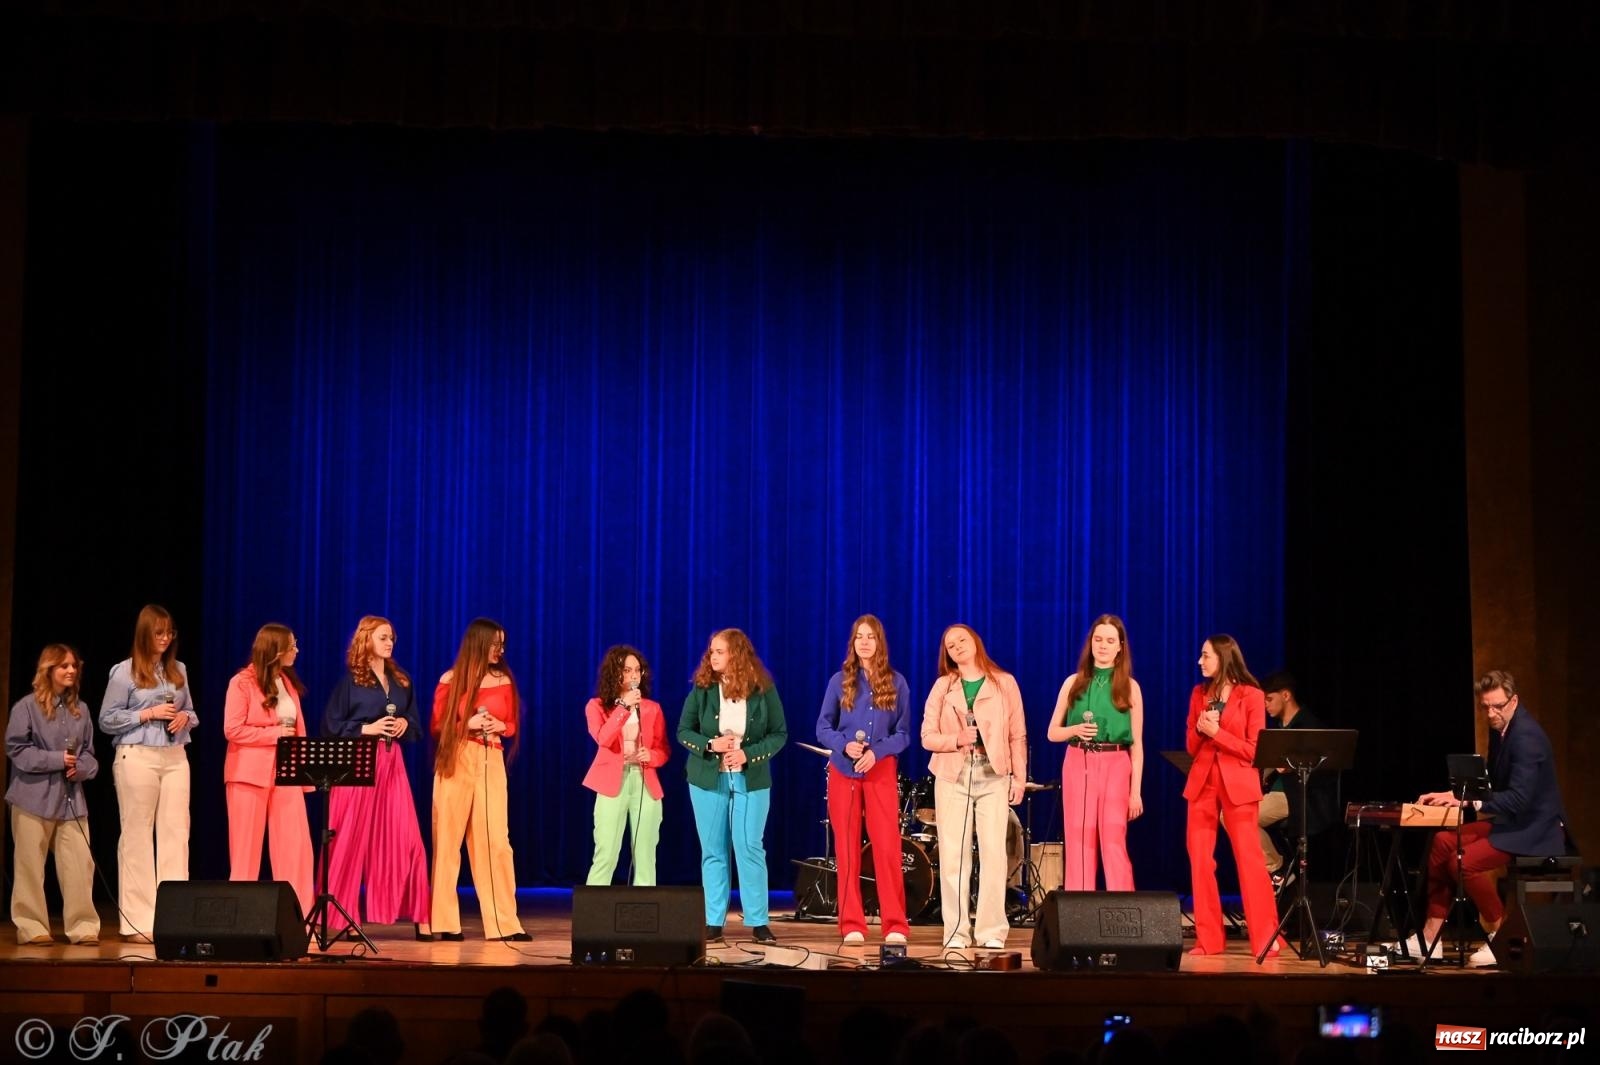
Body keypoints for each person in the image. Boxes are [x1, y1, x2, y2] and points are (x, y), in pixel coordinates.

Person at [1414, 669, 1569, 967]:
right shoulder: (1501, 727)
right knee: (1444, 841)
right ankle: (1430, 937)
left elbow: (1519, 799)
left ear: (1514, 701)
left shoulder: (1526, 738)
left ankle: (1502, 936)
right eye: (1485, 706)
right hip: (1514, 820)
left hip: (1537, 827)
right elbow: (1493, 785)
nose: (1491, 712)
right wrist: (1453, 794)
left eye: (1497, 705)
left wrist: (1467, 800)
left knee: (1463, 860)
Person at [321, 615, 431, 939]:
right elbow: (330, 726)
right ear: (366, 639)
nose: (389, 643)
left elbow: (416, 723)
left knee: (409, 839)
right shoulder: (351, 682)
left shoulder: (400, 680)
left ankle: (420, 916)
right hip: (357, 763)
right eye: (383, 637)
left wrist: (405, 725)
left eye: (391, 638)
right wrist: (365, 729)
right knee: (348, 841)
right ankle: (343, 918)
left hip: (390, 763)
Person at [677, 628, 787, 945]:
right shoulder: (703, 688)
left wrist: (747, 754)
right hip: (707, 779)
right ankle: (713, 921)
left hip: (750, 779)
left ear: (736, 654)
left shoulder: (763, 689)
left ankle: (758, 921)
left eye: (719, 651)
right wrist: (710, 744)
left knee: (749, 847)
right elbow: (683, 731)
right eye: (711, 651)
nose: (712, 657)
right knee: (713, 851)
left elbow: (779, 733)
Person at [920, 623, 1027, 950]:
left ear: (976, 642)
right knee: (954, 857)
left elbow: (1017, 735)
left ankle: (991, 931)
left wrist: (1019, 777)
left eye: (961, 640)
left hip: (993, 774)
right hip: (953, 775)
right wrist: (956, 739)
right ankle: (956, 932)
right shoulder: (943, 686)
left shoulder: (1004, 683)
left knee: (994, 854)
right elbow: (927, 737)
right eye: (950, 645)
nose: (957, 647)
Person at [97, 604, 197, 940]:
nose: (166, 639)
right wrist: (148, 713)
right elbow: (107, 720)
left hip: (175, 756)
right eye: (159, 633)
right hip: (137, 755)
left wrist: (186, 718)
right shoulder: (124, 672)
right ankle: (139, 921)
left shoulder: (178, 670)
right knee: (138, 836)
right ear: (145, 634)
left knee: (176, 834)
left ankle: (174, 917)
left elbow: (192, 712)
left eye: (170, 633)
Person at [1182, 634, 1283, 957]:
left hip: (1238, 784)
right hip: (1203, 784)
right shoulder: (1199, 694)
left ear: (1224, 657)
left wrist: (1218, 734)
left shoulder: (1251, 696)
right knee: (1200, 861)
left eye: (1205, 655)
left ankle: (1266, 938)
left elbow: (1255, 750)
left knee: (1250, 862)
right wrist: (1200, 729)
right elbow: (1191, 746)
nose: (1200, 661)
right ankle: (1208, 940)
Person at [816, 614, 914, 946]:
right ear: (853, 642)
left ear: (879, 642)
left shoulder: (897, 682)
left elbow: (903, 734)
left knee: (887, 847)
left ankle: (895, 924)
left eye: (871, 636)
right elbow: (823, 727)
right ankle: (851, 923)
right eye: (859, 636)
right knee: (846, 850)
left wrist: (878, 751)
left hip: (880, 771)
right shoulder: (839, 681)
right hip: (843, 771)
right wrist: (845, 745)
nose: (865, 641)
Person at [431, 617, 530, 941]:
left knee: (497, 842)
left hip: (491, 757)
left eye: (502, 644)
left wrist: (500, 727)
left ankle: (504, 923)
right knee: (448, 841)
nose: (500, 650)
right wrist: (468, 723)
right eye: (494, 643)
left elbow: (512, 723)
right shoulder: (451, 679)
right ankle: (445, 921)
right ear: (479, 642)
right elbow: (437, 726)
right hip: (458, 758)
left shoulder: (503, 679)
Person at [7, 644, 100, 945]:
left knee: (80, 867)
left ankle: (83, 927)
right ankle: (32, 928)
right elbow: (17, 750)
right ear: (48, 670)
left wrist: (82, 768)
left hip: (71, 800)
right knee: (30, 868)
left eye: (74, 665)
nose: (71, 670)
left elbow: (89, 755)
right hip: (32, 799)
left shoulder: (81, 710)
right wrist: (58, 760)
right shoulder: (26, 708)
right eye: (64, 666)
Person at [1045, 614, 1145, 891]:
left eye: (1110, 640)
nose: (1102, 645)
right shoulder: (1073, 683)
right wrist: (1074, 729)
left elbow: (1137, 746)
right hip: (1079, 760)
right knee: (1078, 837)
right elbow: (1052, 732)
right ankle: (1079, 912)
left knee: (1113, 836)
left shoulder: (1130, 687)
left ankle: (1122, 911)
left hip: (1116, 762)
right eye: (1098, 639)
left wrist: (1135, 792)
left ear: (1120, 646)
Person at [222, 623, 315, 916]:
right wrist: (273, 734)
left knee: (296, 848)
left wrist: (305, 774)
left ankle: (297, 918)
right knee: (245, 853)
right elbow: (232, 729)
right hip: (249, 775)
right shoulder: (242, 682)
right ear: (276, 650)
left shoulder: (286, 682)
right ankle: (240, 919)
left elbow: (298, 730)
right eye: (292, 645)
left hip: (287, 773)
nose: (297, 650)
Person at [581, 644, 670, 885]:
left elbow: (663, 750)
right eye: (627, 670)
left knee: (645, 856)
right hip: (612, 783)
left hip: (644, 782)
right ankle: (595, 914)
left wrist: (651, 755)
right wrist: (623, 706)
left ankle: (645, 916)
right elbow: (603, 738)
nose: (633, 676)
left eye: (637, 670)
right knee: (606, 853)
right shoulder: (596, 706)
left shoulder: (652, 709)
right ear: (615, 673)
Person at [1253, 670, 1335, 886]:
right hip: (1278, 793)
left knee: (1242, 820)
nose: (1265, 705)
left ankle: (1276, 869)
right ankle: (1271, 870)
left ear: (1286, 695)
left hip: (1296, 796)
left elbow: (1325, 768)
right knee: (1233, 816)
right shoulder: (1278, 729)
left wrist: (1294, 766)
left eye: (1269, 699)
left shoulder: (1310, 726)